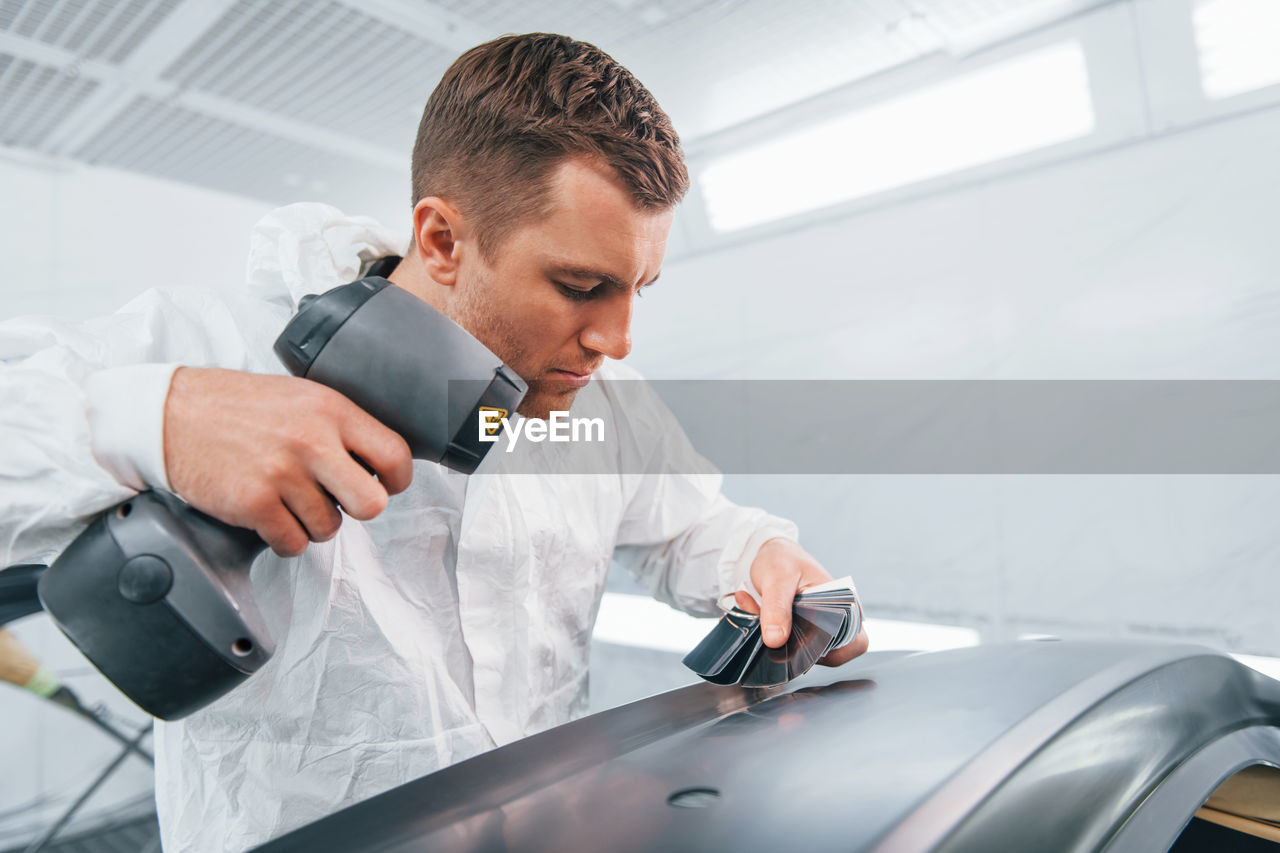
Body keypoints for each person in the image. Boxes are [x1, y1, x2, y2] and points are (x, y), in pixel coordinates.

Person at [0, 33, 867, 850]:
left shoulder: (602, 401)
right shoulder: (214, 344)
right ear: (442, 239)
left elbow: (689, 526)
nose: (618, 338)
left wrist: (760, 552)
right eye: (580, 285)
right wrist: (161, 418)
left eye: (639, 287)